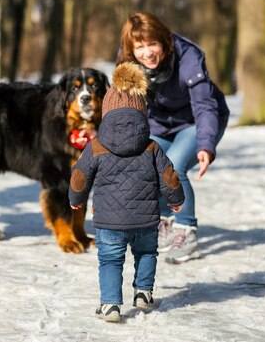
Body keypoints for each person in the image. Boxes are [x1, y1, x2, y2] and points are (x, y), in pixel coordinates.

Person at [69, 61, 185, 323]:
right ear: (142, 113)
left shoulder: (96, 146)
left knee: (110, 260)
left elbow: (79, 177)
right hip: (145, 220)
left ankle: (110, 305)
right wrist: (176, 201)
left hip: (109, 222)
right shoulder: (152, 147)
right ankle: (143, 292)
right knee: (146, 253)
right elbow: (169, 176)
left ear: (107, 113)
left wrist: (75, 200)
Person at [117, 11, 230, 264]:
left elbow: (204, 106)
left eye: (152, 44)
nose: (147, 52)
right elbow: (124, 106)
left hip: (197, 121)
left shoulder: (188, 56)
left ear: (164, 41)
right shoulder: (126, 64)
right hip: (160, 123)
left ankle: (186, 230)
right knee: (147, 163)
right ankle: (165, 222)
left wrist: (205, 145)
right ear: (130, 49)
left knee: (174, 166)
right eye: (140, 47)